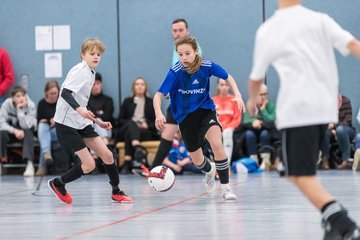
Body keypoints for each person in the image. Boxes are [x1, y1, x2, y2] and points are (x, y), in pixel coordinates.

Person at [247, 0, 360, 238]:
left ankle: (345, 225)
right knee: (301, 173)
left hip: (298, 111)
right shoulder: (320, 20)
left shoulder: (269, 29)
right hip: (325, 109)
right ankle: (332, 224)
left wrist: (251, 101)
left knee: (299, 176)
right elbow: (353, 45)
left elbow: (256, 78)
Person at [154, 35, 245, 200]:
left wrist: (237, 94)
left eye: (187, 53)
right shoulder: (175, 72)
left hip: (206, 111)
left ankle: (226, 188)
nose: (184, 58)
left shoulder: (207, 66)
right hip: (186, 118)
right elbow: (158, 95)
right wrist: (159, 113)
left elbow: (227, 77)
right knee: (197, 160)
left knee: (217, 143)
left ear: (196, 52)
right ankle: (209, 170)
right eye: (180, 54)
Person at [48, 38, 133, 204]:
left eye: (98, 54)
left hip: (81, 122)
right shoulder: (79, 70)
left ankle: (116, 192)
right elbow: (65, 93)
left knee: (108, 155)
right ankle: (58, 183)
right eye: (92, 53)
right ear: (82, 55)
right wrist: (79, 110)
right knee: (89, 165)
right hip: (66, 124)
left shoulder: (91, 73)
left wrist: (98, 122)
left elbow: (84, 103)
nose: (96, 56)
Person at [135, 18, 203, 177]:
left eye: (181, 30)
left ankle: (210, 167)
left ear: (187, 31)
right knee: (167, 135)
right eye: (175, 30)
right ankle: (154, 171)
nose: (178, 33)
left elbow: (193, 74)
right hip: (177, 101)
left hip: (191, 102)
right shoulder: (176, 49)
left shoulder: (194, 49)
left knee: (199, 137)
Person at [116, 77, 158, 174]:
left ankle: (127, 162)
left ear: (145, 87)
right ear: (133, 87)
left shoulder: (150, 102)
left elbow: (156, 120)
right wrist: (133, 123)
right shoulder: (127, 101)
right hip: (129, 127)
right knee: (131, 123)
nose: (140, 86)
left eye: (142, 84)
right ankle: (137, 147)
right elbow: (120, 120)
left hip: (145, 131)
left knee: (129, 133)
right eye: (137, 84)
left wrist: (147, 125)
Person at [0, 86, 37, 176]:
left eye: (23, 95)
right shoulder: (6, 104)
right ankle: (2, 161)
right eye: (18, 96)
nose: (21, 98)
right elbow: (1, 123)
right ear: (12, 98)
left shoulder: (30, 105)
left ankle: (29, 164)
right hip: (12, 133)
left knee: (28, 132)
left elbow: (26, 126)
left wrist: (19, 110)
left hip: (25, 133)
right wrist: (14, 131)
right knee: (1, 132)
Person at [243, 84, 276, 171]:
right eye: (261, 94)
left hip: (266, 130)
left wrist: (263, 109)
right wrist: (253, 122)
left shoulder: (271, 105)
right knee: (249, 134)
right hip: (252, 130)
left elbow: (272, 120)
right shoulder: (250, 105)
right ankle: (253, 160)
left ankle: (266, 161)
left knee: (265, 134)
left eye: (265, 94)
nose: (263, 97)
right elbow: (246, 121)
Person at [320, 94, 355, 170]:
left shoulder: (346, 101)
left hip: (346, 130)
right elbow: (323, 122)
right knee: (324, 131)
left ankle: (345, 160)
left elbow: (347, 121)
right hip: (330, 131)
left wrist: (335, 127)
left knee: (340, 130)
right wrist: (332, 130)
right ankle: (325, 159)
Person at [88, 72, 114, 169]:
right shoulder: (86, 100)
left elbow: (108, 116)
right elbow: (89, 117)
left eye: (98, 83)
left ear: (101, 84)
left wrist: (95, 114)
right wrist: (99, 114)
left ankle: (95, 157)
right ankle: (106, 144)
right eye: (93, 84)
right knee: (96, 122)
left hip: (107, 129)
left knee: (97, 121)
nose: (96, 86)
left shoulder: (108, 100)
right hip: (91, 130)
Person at [212, 78, 241, 163]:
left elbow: (237, 119)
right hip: (216, 128)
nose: (224, 87)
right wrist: (218, 129)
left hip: (230, 129)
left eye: (226, 84)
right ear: (218, 86)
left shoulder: (234, 100)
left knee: (227, 133)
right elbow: (210, 118)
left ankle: (226, 164)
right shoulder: (212, 101)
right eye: (222, 85)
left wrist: (225, 128)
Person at [35, 80, 60, 176]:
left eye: (55, 93)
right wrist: (46, 120)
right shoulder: (42, 103)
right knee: (42, 127)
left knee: (44, 138)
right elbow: (39, 120)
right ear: (46, 92)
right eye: (51, 93)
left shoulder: (61, 103)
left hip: (57, 131)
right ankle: (46, 154)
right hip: (45, 131)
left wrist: (56, 121)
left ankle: (42, 164)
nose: (54, 95)